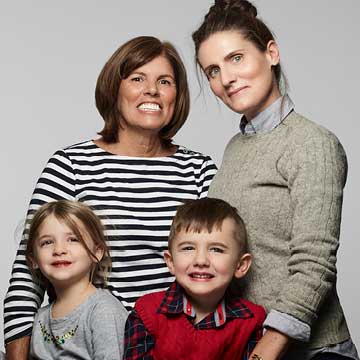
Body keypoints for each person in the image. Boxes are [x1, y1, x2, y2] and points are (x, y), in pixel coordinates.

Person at [4, 36, 217, 359]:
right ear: (114, 90)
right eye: (137, 79)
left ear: (177, 95)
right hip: (85, 346)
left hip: (172, 345)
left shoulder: (199, 170)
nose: (152, 91)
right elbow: (27, 273)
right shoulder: (71, 165)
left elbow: (221, 265)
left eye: (165, 81)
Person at [192, 1, 359, 360]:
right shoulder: (235, 147)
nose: (226, 78)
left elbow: (315, 261)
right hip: (248, 344)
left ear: (271, 52)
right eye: (213, 70)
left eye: (236, 58)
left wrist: (268, 346)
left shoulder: (313, 143)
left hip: (310, 350)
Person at [124, 197, 266, 359]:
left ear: (241, 265)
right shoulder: (146, 313)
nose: (201, 261)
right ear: (171, 262)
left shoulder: (252, 321)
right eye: (188, 248)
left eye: (216, 249)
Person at [25, 200, 127, 359]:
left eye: (73, 239)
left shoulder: (103, 311)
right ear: (33, 259)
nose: (59, 250)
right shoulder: (41, 317)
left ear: (97, 252)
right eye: (47, 242)